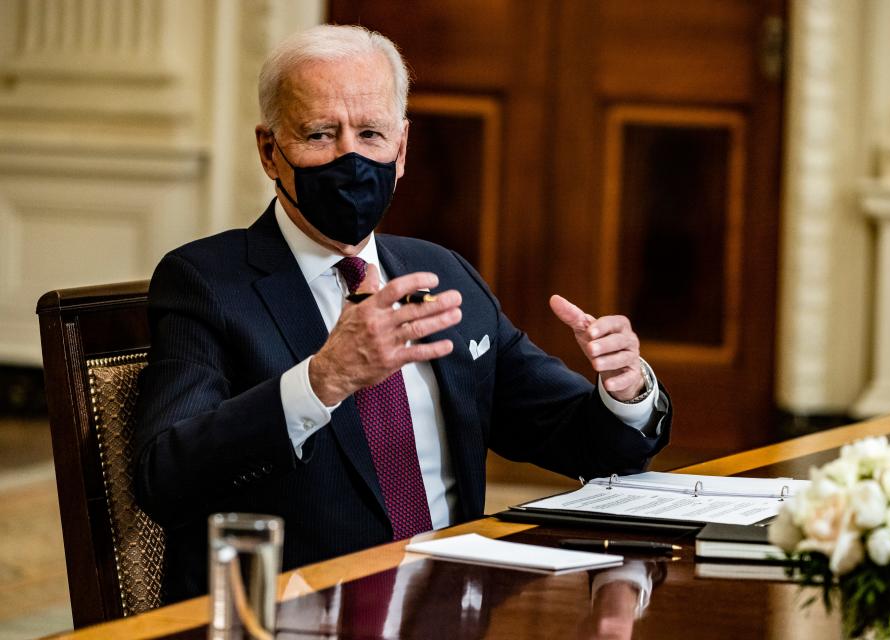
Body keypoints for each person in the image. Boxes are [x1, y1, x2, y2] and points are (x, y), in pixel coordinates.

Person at [134, 24, 672, 602]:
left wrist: (625, 391)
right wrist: (322, 381)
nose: (350, 158)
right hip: (302, 612)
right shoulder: (207, 283)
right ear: (270, 150)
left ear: (402, 148)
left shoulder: (441, 274)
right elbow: (164, 476)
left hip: (453, 606)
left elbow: (584, 442)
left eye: (370, 133)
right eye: (319, 134)